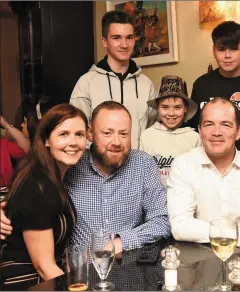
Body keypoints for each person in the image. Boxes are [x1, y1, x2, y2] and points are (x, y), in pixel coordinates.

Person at [1, 101, 171, 254]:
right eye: (107, 133)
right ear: (90, 134)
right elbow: (30, 190)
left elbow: (162, 221)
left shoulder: (143, 164)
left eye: (124, 134)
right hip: (77, 274)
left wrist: (119, 243)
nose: (117, 141)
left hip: (128, 265)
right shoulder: (71, 162)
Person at [0, 104, 88, 290]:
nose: (73, 142)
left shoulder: (49, 176)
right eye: (63, 134)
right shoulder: (38, 185)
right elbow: (43, 266)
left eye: (79, 134)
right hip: (28, 283)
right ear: (47, 140)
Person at [167, 98, 240, 249]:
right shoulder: (183, 166)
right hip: (199, 259)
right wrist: (239, 237)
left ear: (238, 132)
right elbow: (180, 226)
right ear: (200, 131)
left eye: (226, 125)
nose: (216, 132)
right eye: (209, 124)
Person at [70, 10, 157, 149]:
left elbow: (153, 129)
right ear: (104, 41)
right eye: (117, 38)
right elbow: (76, 130)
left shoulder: (146, 84)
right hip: (99, 166)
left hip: (136, 166)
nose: (124, 44)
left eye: (129, 37)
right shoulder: (86, 82)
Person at [188, 21, 240, 163]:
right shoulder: (201, 84)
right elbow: (193, 129)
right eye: (221, 50)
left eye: (233, 49)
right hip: (209, 164)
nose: (227, 55)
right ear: (213, 51)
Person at [139, 75, 201, 186]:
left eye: (177, 107)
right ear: (158, 107)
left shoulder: (194, 138)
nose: (171, 113)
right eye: (165, 107)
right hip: (154, 199)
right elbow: (142, 174)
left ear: (185, 108)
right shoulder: (147, 136)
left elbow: (198, 176)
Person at [0, 115, 30, 187]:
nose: (22, 125)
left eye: (25, 122)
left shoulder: (5, 145)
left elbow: (26, 147)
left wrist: (5, 124)